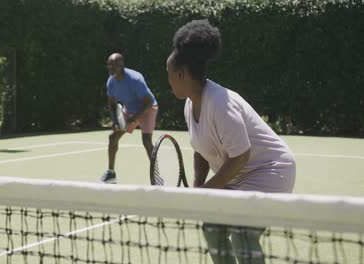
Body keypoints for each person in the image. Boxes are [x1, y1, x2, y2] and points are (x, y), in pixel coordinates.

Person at [166, 20, 296, 264]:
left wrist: (208, 190)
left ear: (182, 74)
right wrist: (198, 185)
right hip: (238, 177)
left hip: (271, 171)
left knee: (242, 231)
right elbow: (201, 149)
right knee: (212, 226)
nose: (168, 80)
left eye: (169, 74)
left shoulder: (220, 103)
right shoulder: (190, 104)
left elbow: (241, 156)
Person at [100, 53, 158, 183]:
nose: (110, 68)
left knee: (146, 141)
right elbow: (111, 102)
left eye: (113, 65)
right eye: (109, 65)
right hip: (130, 110)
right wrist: (115, 120)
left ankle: (157, 175)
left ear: (121, 66)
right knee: (113, 137)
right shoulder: (111, 81)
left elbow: (148, 102)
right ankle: (111, 174)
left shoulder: (135, 79)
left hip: (148, 108)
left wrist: (133, 119)